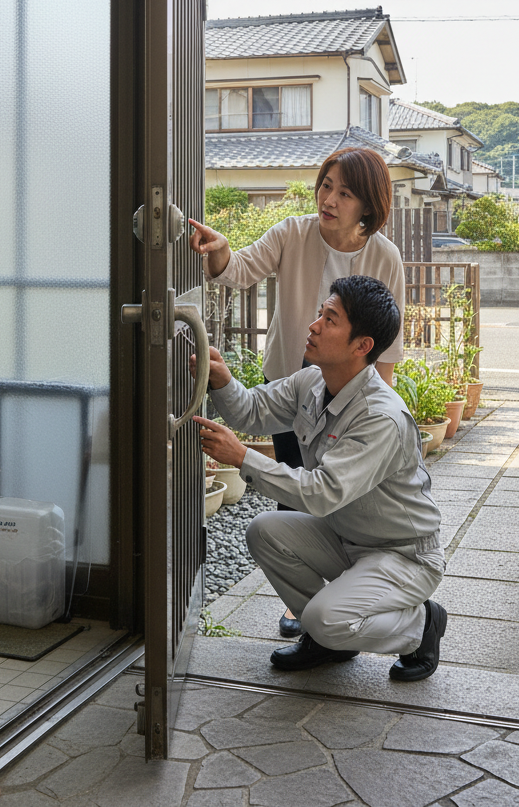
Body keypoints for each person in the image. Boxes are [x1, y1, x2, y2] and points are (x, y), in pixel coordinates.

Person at [189, 147, 405, 638]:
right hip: (289, 387)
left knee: (342, 500)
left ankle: (343, 600)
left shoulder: (384, 256)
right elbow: (237, 269)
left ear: (367, 205)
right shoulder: (293, 232)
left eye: (344, 192)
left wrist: (379, 411)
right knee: (291, 500)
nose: (329, 198)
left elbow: (386, 347)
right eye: (326, 185)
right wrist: (220, 248)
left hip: (351, 398)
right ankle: (301, 604)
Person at [191, 275, 446, 683]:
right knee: (265, 530)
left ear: (362, 346)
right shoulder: (313, 380)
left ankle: (421, 626)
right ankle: (329, 640)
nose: (314, 325)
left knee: (325, 618)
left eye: (330, 319)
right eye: (320, 313)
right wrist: (222, 379)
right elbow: (252, 410)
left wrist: (242, 457)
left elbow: (323, 493)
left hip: (403, 555)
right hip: (349, 539)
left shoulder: (380, 417)